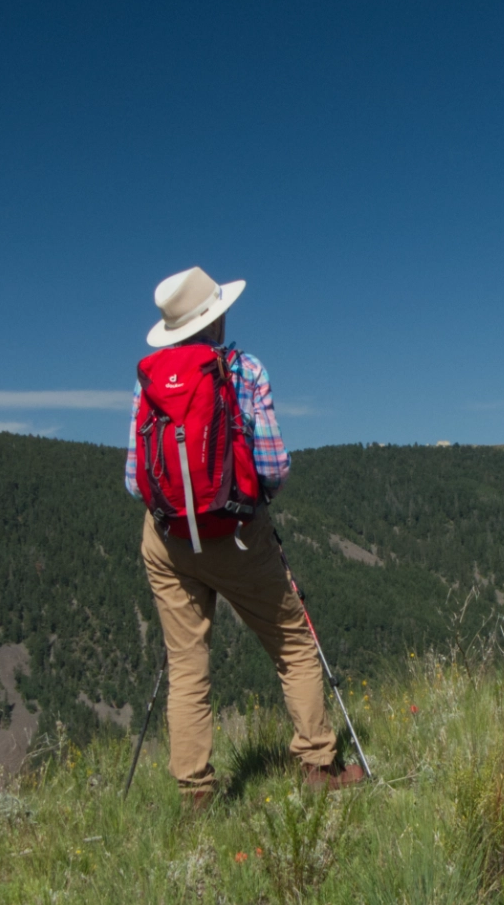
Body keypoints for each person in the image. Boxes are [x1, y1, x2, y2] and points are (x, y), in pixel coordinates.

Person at [125, 266, 365, 806]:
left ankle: (195, 795)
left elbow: (132, 478)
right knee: (292, 642)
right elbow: (274, 466)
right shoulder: (244, 369)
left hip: (166, 538)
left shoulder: (146, 381)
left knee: (187, 667)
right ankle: (319, 767)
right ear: (216, 315)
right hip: (234, 531)